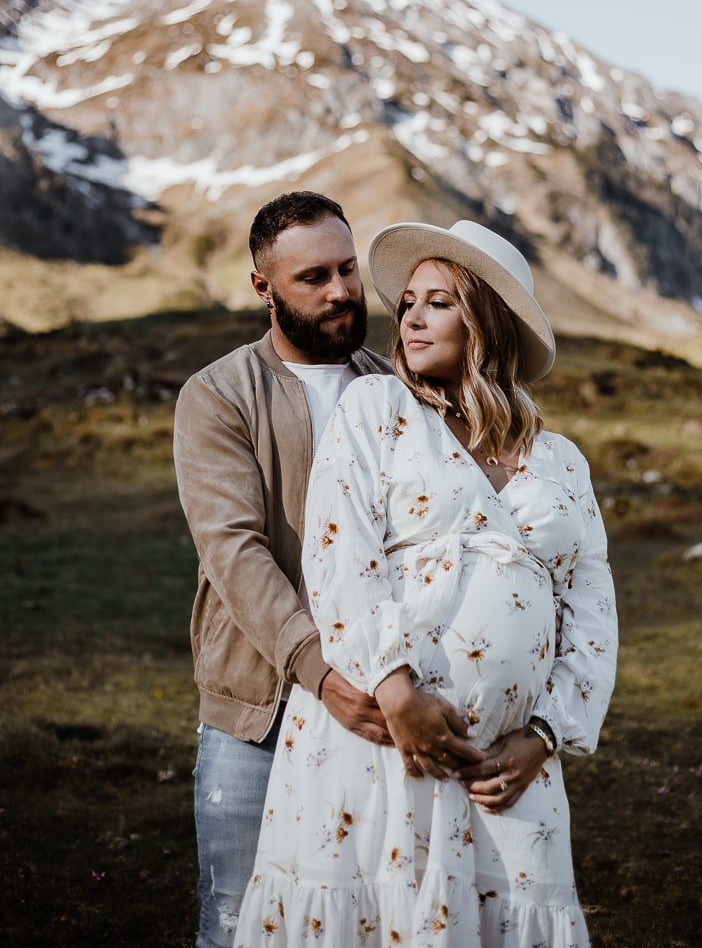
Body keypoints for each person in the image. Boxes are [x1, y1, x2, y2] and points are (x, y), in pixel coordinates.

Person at [234, 218, 618, 947]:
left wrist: (544, 735)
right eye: (407, 300)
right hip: (382, 744)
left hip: (505, 769)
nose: (408, 315)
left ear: (488, 320)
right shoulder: (375, 411)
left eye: (437, 301)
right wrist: (395, 688)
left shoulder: (561, 460)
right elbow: (338, 557)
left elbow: (592, 610)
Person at [174, 191, 425, 948]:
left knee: (369, 919)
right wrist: (321, 671)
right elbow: (232, 550)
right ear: (264, 288)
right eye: (313, 276)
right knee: (240, 919)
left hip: (384, 698)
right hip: (259, 709)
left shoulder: (399, 387)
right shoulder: (218, 395)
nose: (342, 290)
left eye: (347, 268)